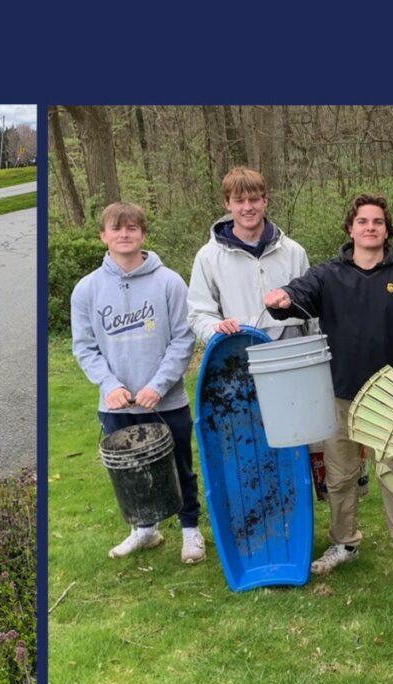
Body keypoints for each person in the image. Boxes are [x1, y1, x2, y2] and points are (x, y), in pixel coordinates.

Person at [262, 195, 393, 578]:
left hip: (391, 401)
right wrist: (282, 299)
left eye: (377, 221)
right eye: (362, 221)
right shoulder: (328, 276)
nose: (370, 227)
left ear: (387, 230)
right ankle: (344, 542)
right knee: (340, 477)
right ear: (350, 228)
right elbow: (298, 296)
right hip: (338, 395)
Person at [71, 202, 206, 562]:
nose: (125, 234)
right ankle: (145, 530)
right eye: (117, 229)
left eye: (132, 228)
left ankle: (191, 530)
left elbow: (183, 339)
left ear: (143, 234)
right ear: (103, 236)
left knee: (179, 466)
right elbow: (84, 348)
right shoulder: (87, 290)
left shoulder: (170, 282)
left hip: (166, 402)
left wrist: (157, 386)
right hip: (117, 404)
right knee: (130, 472)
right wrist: (110, 386)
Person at [187, 166, 314, 342]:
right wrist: (215, 329)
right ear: (227, 204)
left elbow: (313, 308)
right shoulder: (208, 257)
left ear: (265, 201)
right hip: (239, 352)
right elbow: (199, 313)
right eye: (239, 201)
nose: (247, 207)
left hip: (293, 352)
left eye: (253, 199)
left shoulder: (293, 251)